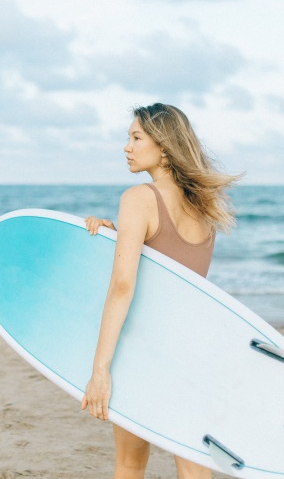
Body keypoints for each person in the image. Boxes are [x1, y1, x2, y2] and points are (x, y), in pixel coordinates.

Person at [81, 103, 240, 479]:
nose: (127, 146)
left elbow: (123, 287)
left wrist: (100, 369)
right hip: (194, 349)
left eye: (136, 137)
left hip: (144, 350)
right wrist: (116, 238)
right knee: (193, 465)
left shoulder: (139, 199)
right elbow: (172, 269)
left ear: (164, 147)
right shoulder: (206, 206)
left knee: (131, 463)